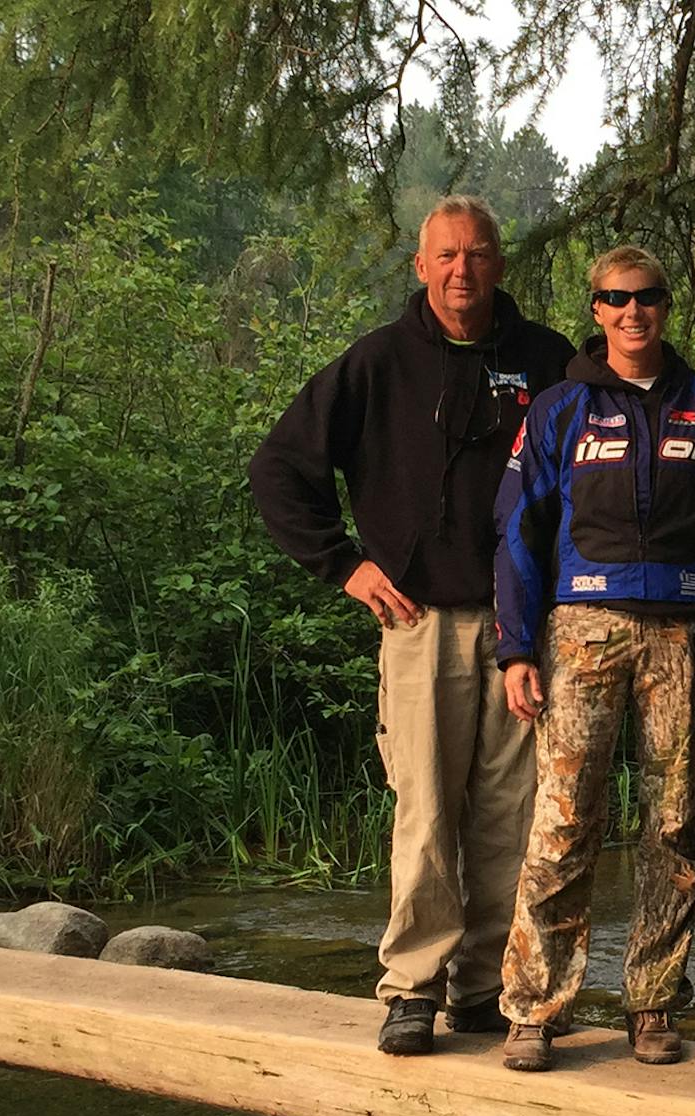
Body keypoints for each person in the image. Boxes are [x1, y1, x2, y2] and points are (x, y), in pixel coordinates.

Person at [249, 195, 575, 1056]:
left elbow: (604, 462)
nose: (462, 270)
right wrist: (346, 566)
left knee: (512, 816)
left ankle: (485, 989)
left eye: (477, 254)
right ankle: (412, 988)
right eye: (446, 256)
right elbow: (279, 469)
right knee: (426, 815)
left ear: (500, 265)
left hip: (523, 630)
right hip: (420, 621)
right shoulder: (378, 364)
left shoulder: (548, 362)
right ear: (421, 267)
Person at [491, 244, 695, 1071]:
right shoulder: (558, 411)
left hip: (684, 635)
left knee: (674, 825)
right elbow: (517, 532)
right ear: (597, 311)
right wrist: (515, 647)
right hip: (581, 631)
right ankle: (535, 1010)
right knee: (564, 820)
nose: (632, 312)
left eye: (647, 297)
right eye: (616, 299)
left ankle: (651, 1005)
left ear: (666, 305)